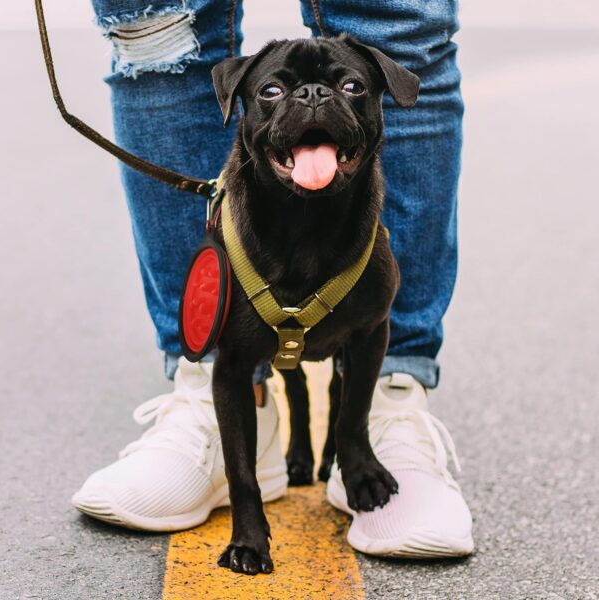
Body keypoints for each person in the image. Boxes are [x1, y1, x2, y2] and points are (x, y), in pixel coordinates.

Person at [73, 0, 474, 557]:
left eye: (349, 88)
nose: (311, 100)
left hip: (356, 270)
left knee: (399, 20)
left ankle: (384, 408)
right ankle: (210, 401)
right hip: (250, 248)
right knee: (153, 26)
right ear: (237, 102)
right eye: (274, 93)